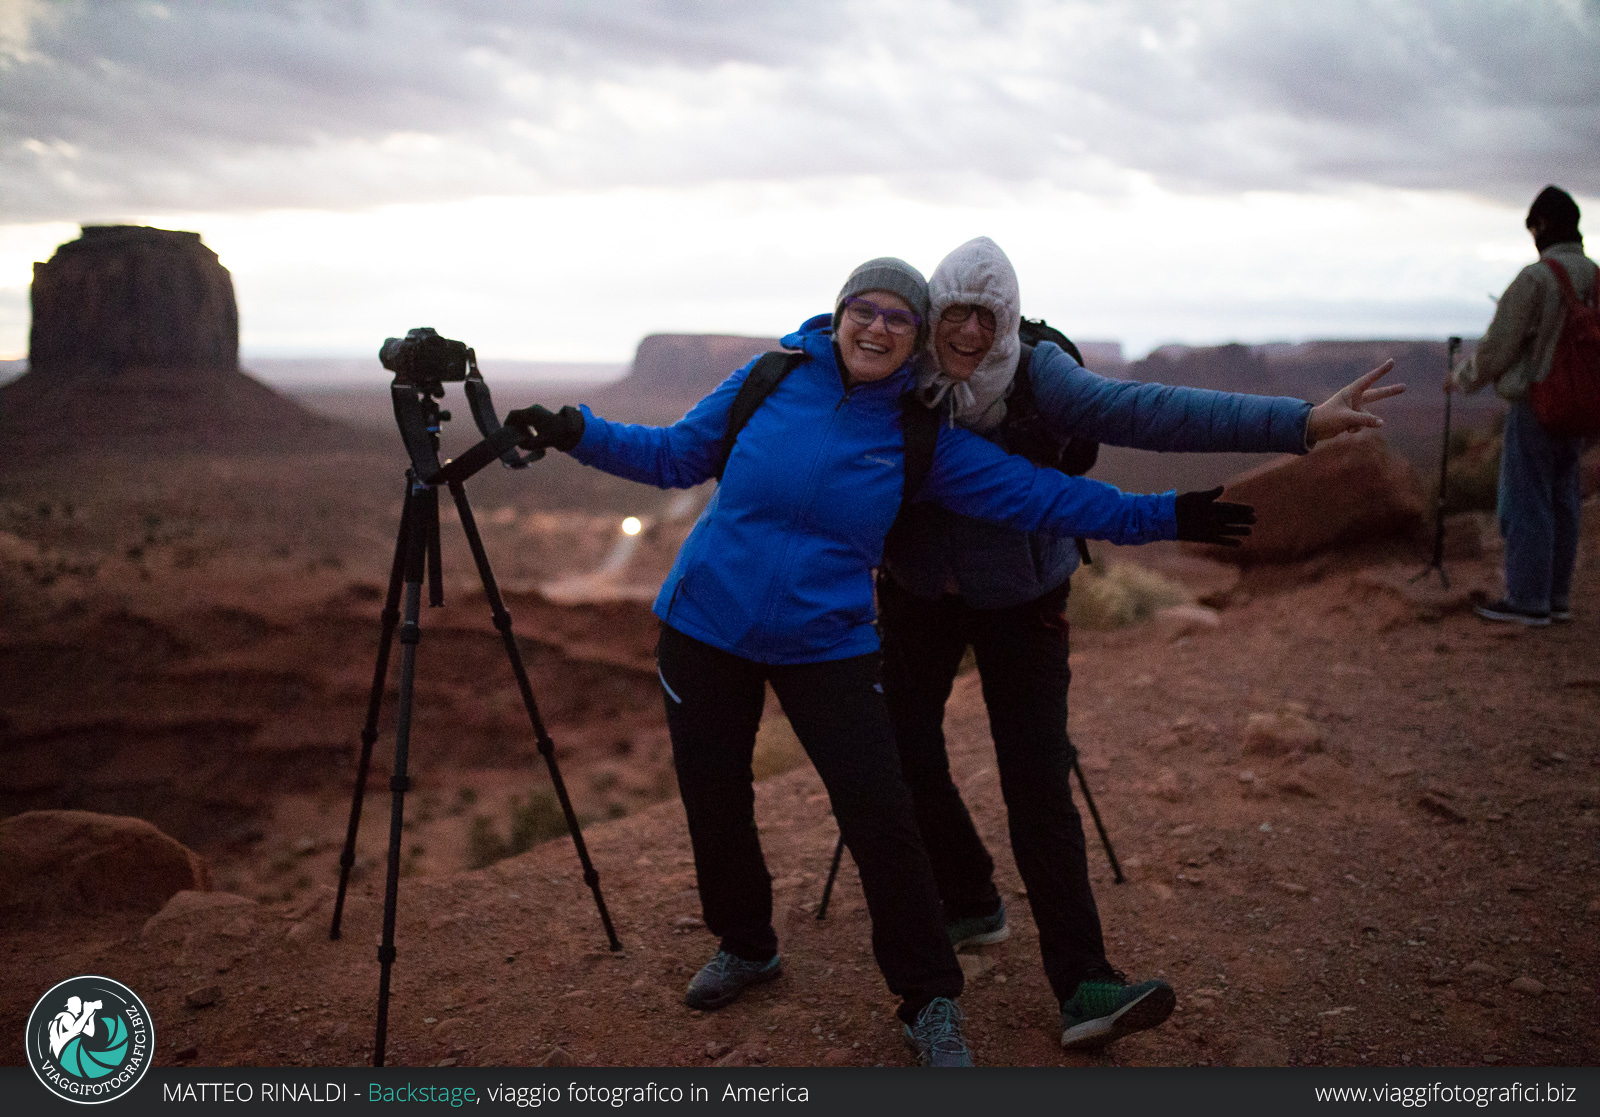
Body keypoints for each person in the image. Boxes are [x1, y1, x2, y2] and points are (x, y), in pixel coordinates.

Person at [506, 256, 1252, 1067]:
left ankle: (929, 998)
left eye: (899, 318)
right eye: (864, 309)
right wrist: (575, 430)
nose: (878, 326)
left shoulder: (919, 433)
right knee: (714, 797)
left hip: (827, 642)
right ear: (840, 313)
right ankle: (747, 943)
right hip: (704, 624)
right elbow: (674, 456)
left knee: (882, 818)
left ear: (916, 339)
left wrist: (1166, 514)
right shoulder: (770, 377)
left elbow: (1043, 496)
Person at [878, 236, 1405, 1052]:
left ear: (1010, 318)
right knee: (901, 750)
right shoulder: (906, 371)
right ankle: (971, 896)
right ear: (935, 311)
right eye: (958, 314)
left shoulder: (1037, 373)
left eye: (990, 317)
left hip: (1022, 595)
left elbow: (1146, 409)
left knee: (1037, 778)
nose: (973, 334)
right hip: (918, 592)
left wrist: (1298, 421)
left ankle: (1085, 979)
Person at [1451, 185, 1596, 626]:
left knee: (1526, 500)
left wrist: (1460, 379)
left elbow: (1497, 348)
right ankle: (1556, 599)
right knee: (1563, 500)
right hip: (1584, 409)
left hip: (1539, 405)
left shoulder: (1537, 278)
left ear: (1543, 227)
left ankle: (1528, 601)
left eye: (1533, 228)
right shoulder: (1595, 275)